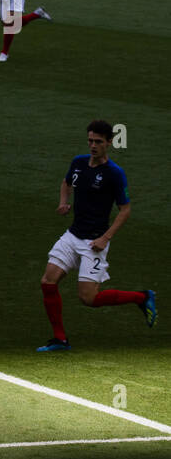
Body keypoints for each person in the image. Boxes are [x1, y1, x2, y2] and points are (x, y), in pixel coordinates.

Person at [37, 121, 157, 352]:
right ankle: (60, 340)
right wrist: (63, 202)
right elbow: (66, 182)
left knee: (89, 299)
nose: (93, 145)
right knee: (47, 282)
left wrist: (105, 238)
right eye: (90, 141)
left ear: (109, 142)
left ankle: (142, 297)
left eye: (98, 142)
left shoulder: (114, 174)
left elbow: (125, 210)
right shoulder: (79, 162)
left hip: (94, 243)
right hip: (72, 236)